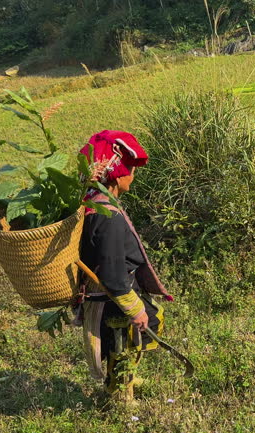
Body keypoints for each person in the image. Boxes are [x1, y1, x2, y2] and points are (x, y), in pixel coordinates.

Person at [74, 130, 173, 403]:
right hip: (112, 297)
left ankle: (121, 380)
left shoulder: (92, 202)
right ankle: (119, 396)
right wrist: (134, 307)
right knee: (123, 343)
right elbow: (112, 270)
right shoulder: (108, 217)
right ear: (117, 175)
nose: (133, 176)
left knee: (126, 341)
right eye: (130, 170)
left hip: (104, 294)